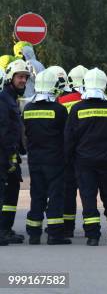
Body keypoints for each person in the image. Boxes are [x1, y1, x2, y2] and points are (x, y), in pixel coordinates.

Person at [64, 68, 107, 246]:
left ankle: (93, 236)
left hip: (84, 163)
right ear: (104, 85)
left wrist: (70, 159)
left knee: (88, 198)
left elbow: (69, 139)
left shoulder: (77, 109)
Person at [23, 69, 71, 245]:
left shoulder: (27, 109)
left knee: (37, 196)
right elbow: (66, 136)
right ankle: (55, 235)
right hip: (55, 160)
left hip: (35, 160)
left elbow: (25, 134)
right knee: (55, 196)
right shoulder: (59, 110)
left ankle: (34, 234)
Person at [0, 59, 30, 245]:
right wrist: (7, 157)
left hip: (10, 156)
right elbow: (3, 130)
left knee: (11, 192)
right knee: (3, 194)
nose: (23, 81)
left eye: (25, 78)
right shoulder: (3, 99)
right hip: (3, 156)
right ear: (10, 78)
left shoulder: (11, 99)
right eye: (20, 77)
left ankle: (6, 229)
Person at [57, 65, 88, 237]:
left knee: (68, 191)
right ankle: (91, 224)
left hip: (67, 152)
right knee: (87, 191)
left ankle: (67, 227)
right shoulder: (91, 99)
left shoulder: (62, 100)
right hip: (86, 152)